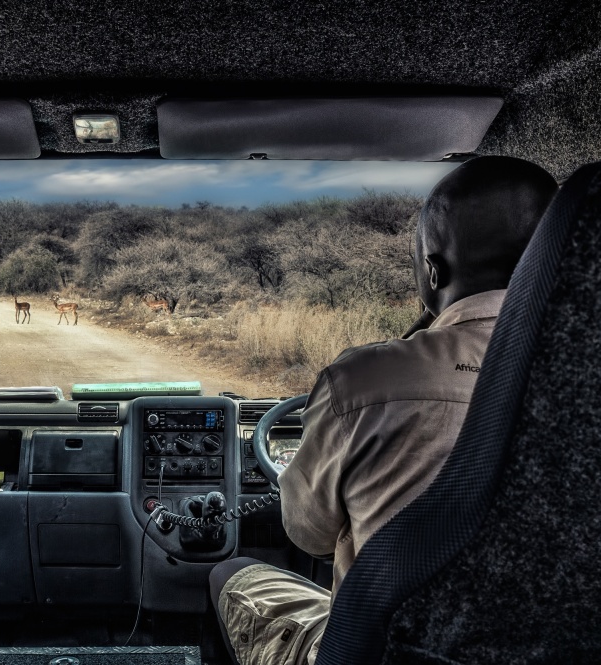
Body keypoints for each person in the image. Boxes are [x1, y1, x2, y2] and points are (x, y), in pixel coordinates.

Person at [210, 156, 559, 665]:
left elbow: (308, 535)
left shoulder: (365, 381)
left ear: (433, 270)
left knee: (228, 576)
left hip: (383, 654)